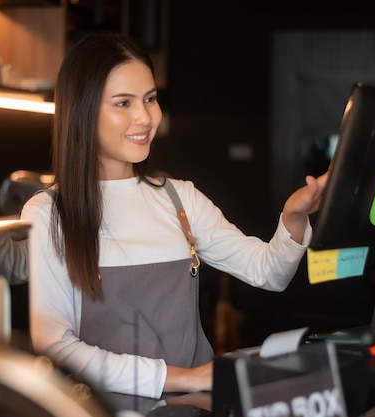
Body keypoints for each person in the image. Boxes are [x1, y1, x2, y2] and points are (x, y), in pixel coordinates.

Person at [21, 31, 328, 412]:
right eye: (123, 103)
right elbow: (56, 347)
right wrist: (186, 377)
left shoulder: (178, 197)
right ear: (82, 111)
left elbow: (269, 273)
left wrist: (293, 216)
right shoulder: (48, 213)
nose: (145, 117)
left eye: (150, 99)